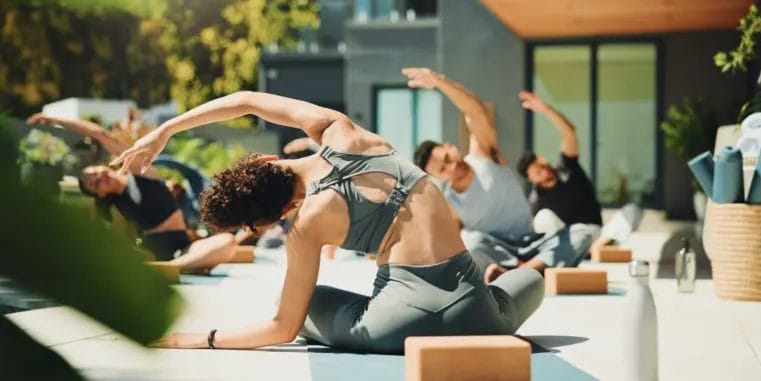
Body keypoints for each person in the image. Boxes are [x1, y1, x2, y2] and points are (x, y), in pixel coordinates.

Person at [109, 91, 544, 354]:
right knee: (531, 281)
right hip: (479, 313)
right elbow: (244, 101)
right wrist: (164, 131)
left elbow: (283, 328)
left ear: (275, 216)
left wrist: (201, 339)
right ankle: (494, 285)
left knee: (312, 301)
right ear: (266, 159)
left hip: (400, 327)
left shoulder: (307, 224)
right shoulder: (344, 133)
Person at [406, 68, 596, 281]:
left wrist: (439, 82)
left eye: (447, 158)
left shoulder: (484, 154)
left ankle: (520, 273)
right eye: (443, 169)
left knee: (582, 233)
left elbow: (475, 111)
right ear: (438, 178)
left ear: (450, 146)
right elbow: (449, 243)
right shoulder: (449, 202)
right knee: (471, 241)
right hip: (498, 252)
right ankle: (531, 270)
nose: (451, 167)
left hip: (532, 242)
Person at [26, 113, 239, 272]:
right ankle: (174, 267)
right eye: (94, 184)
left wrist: (56, 119)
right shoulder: (115, 206)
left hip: (180, 247)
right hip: (150, 252)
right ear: (99, 195)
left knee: (227, 242)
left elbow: (100, 134)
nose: (99, 178)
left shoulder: (140, 170)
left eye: (96, 173)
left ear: (104, 166)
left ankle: (174, 267)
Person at [514, 91, 643, 251]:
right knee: (542, 218)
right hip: (570, 240)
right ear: (532, 179)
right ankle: (580, 252)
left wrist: (546, 109)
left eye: (541, 164)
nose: (543, 170)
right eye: (537, 172)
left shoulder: (567, 166)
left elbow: (569, 133)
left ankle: (598, 248)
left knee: (633, 210)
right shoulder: (537, 201)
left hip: (598, 235)